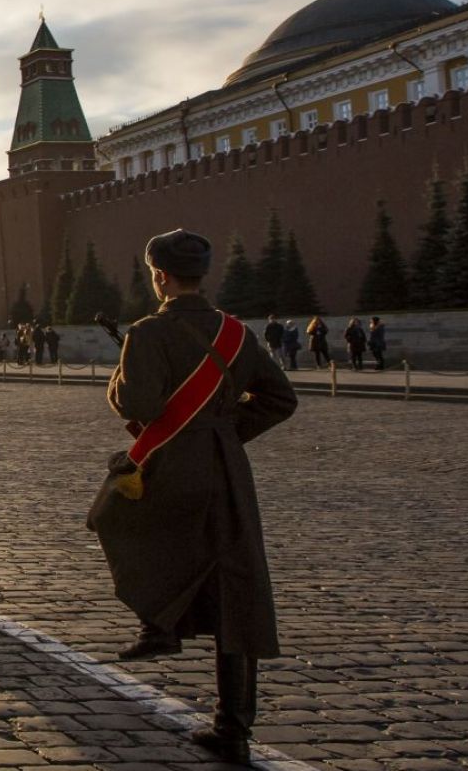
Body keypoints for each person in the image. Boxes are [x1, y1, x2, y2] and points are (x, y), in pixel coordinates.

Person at [88, 229, 297, 765]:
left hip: (172, 466)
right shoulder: (235, 332)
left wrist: (118, 384)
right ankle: (233, 727)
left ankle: (157, 623)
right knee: (236, 586)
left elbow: (138, 403)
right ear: (201, 275)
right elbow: (280, 398)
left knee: (114, 517)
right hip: (227, 470)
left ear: (159, 275)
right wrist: (224, 432)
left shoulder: (149, 331)